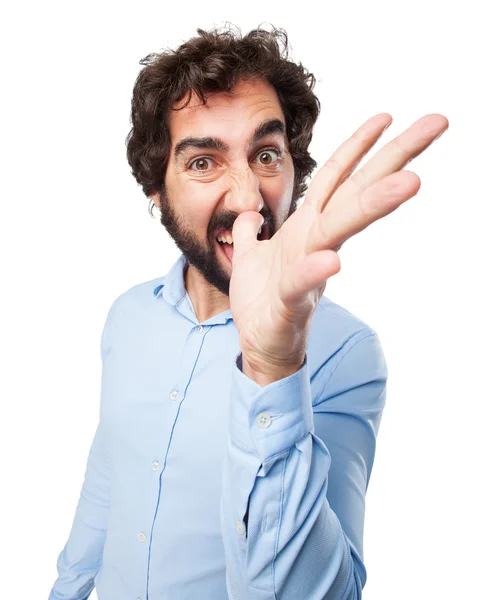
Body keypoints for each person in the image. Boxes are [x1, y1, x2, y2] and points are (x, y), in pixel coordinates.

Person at [48, 25, 448, 600]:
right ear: (155, 189)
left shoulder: (344, 351)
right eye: (203, 162)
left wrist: (272, 365)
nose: (246, 199)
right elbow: (111, 475)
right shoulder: (127, 317)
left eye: (265, 154)